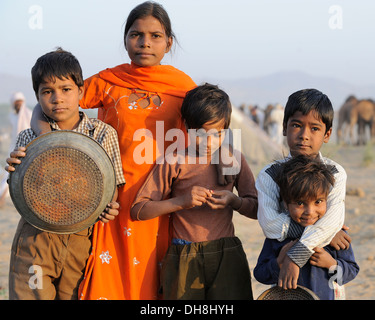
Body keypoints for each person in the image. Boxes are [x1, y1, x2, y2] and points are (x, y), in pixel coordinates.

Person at [30, 1, 196, 299]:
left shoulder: (183, 87)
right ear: (125, 39)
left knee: (155, 275)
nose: (145, 42)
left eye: (155, 36)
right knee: (112, 272)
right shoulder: (109, 82)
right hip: (113, 197)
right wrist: (46, 145)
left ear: (169, 42)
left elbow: (208, 131)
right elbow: (53, 102)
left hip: (163, 197)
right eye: (136, 34)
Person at [5, 48, 125, 300]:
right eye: (47, 92)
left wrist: (111, 205)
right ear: (37, 97)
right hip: (35, 237)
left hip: (83, 239)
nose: (57, 98)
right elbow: (20, 191)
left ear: (81, 91)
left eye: (66, 89)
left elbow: (113, 183)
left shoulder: (102, 134)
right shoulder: (28, 138)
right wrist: (15, 168)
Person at [130, 83, 258, 300]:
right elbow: (138, 210)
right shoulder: (173, 160)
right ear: (186, 126)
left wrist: (233, 201)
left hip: (226, 252)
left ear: (226, 130)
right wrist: (181, 201)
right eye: (200, 133)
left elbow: (256, 209)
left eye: (217, 134)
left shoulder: (233, 159)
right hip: (183, 255)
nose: (209, 142)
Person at [256, 88, 351, 290]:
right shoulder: (270, 175)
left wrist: (295, 256)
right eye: (297, 125)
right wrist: (326, 232)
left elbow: (332, 221)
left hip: (326, 288)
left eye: (314, 128)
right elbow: (270, 224)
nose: (304, 135)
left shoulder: (335, 174)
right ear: (284, 128)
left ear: (327, 134)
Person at [254, 155, 359, 300]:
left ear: (327, 200)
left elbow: (351, 272)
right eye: (300, 203)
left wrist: (330, 264)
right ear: (285, 204)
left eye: (318, 201)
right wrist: (278, 262)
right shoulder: (280, 235)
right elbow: (260, 274)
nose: (310, 211)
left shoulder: (334, 235)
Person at [0, 92, 32, 207]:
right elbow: (10, 131)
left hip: (27, 148)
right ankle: (2, 197)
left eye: (20, 102)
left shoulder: (30, 114)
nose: (18, 105)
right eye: (16, 103)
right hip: (13, 147)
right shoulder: (11, 117)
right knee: (9, 173)